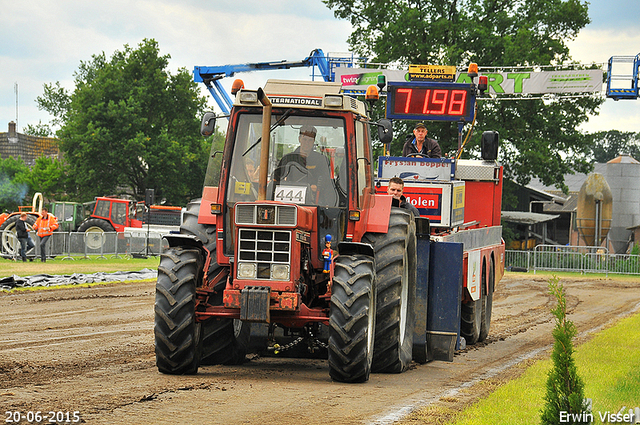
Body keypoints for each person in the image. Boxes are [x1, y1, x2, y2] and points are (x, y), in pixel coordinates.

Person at [273, 124, 335, 205]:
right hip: (289, 201)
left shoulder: (321, 160)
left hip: (315, 201)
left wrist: (317, 187)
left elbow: (326, 182)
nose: (307, 143)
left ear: (313, 141)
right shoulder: (288, 159)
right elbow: (275, 179)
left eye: (310, 140)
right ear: (299, 139)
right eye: (304, 139)